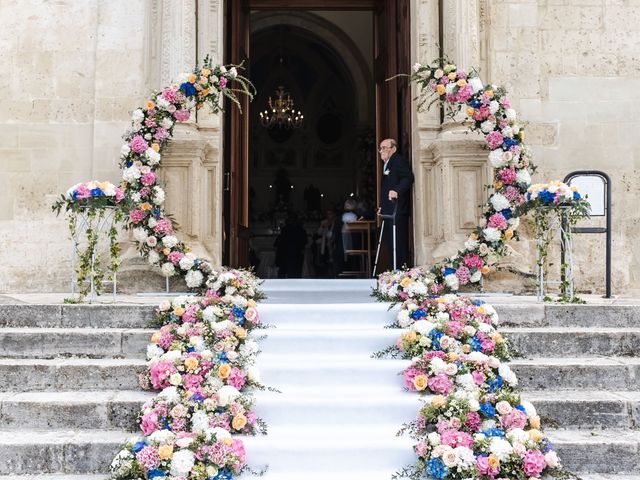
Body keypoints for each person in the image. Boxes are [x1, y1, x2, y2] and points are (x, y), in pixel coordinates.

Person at [379, 138, 414, 269]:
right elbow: (387, 187)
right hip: (389, 210)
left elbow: (408, 177)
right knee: (392, 242)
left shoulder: (397, 160)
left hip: (398, 209)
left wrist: (397, 191)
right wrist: (382, 206)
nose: (381, 151)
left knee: (398, 242)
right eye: (380, 148)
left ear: (393, 148)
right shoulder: (388, 163)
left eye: (384, 148)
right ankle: (395, 269)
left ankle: (402, 270)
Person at [274, 213, 307, 278]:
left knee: (284, 274)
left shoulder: (285, 229)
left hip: (286, 255)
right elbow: (305, 242)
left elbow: (278, 243)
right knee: (295, 274)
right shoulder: (300, 230)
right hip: (296, 255)